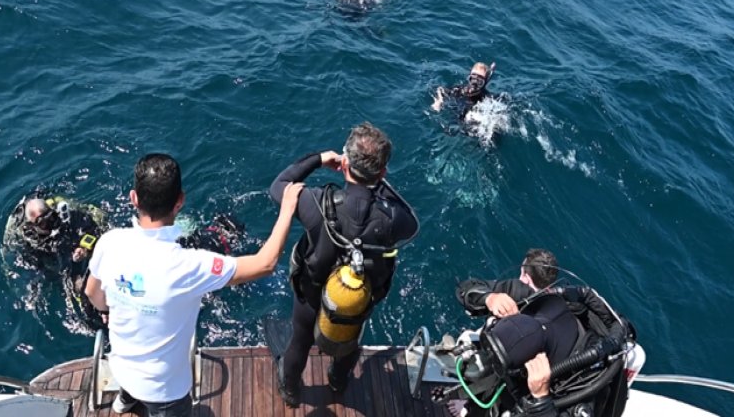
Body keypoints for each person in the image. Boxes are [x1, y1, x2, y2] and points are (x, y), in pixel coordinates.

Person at [84, 153, 303, 416]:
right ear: (180, 201)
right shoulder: (189, 265)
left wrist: (107, 310)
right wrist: (288, 207)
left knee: (131, 382)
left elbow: (92, 292)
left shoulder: (110, 242)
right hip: (165, 392)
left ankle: (125, 401)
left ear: (134, 198)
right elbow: (264, 263)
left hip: (121, 367)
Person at [269, 122, 419, 407]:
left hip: (312, 293)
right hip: (360, 296)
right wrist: (380, 185)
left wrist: (318, 160)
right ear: (382, 172)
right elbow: (412, 224)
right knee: (350, 341)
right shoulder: (393, 218)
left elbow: (278, 187)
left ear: (345, 162)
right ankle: (338, 380)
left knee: (300, 341)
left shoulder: (316, 202)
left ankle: (290, 391)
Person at [453, 249, 629, 417]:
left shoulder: (578, 382)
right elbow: (464, 288)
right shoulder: (528, 297)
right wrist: (489, 298)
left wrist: (542, 398)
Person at [432, 62, 505, 120]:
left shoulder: (487, 99)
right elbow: (440, 89)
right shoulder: (459, 90)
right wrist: (438, 101)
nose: (474, 84)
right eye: (472, 79)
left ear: (485, 83)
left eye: (479, 81)